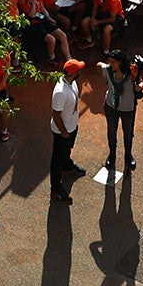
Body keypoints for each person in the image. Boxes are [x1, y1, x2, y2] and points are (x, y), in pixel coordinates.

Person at [100, 51, 143, 173]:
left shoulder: (131, 72)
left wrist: (139, 86)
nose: (111, 65)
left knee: (128, 133)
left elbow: (140, 81)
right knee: (111, 131)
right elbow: (99, 65)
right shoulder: (107, 70)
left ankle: (128, 155)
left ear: (120, 62)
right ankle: (112, 155)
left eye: (113, 62)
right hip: (111, 106)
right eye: (109, 62)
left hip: (127, 108)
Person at [49, 59, 86, 202]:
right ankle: (56, 188)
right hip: (62, 131)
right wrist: (64, 132)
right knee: (57, 159)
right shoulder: (60, 92)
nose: (80, 72)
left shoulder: (72, 82)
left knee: (67, 150)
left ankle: (67, 165)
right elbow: (55, 114)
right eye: (79, 70)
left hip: (71, 126)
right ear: (74, 73)